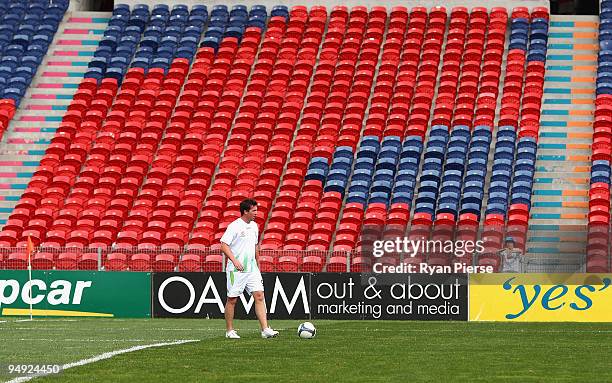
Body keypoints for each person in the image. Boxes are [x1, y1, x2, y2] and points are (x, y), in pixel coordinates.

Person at [220, 198, 279, 339]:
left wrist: (257, 264)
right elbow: (223, 245)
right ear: (245, 211)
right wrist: (234, 261)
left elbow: (255, 246)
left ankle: (265, 329)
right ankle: (229, 331)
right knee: (232, 299)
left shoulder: (254, 226)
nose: (256, 213)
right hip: (237, 270)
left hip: (252, 269)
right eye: (254, 211)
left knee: (259, 296)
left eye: (256, 210)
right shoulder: (234, 226)